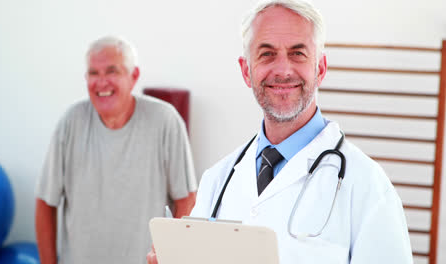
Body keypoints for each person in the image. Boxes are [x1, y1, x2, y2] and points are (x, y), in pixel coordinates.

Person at [147, 0, 413, 263]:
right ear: (246, 71)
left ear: (319, 69)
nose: (283, 70)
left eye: (298, 53)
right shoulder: (217, 181)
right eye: (267, 54)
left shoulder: (368, 187)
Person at [35, 36, 197, 264]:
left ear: (134, 77)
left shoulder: (165, 120)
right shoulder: (71, 122)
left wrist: (170, 258)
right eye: (93, 73)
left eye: (112, 71)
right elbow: (45, 203)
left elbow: (187, 201)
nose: (101, 83)